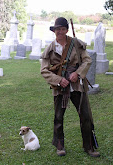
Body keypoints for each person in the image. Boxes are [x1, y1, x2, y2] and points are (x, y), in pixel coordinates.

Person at [40, 17, 100, 157]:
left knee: (85, 116)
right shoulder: (50, 49)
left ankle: (89, 147)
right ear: (54, 31)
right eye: (57, 29)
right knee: (58, 117)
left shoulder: (76, 43)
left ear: (67, 30)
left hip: (77, 86)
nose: (59, 32)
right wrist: (59, 80)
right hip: (59, 87)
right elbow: (44, 70)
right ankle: (60, 146)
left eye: (62, 29)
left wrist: (78, 74)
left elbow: (87, 60)